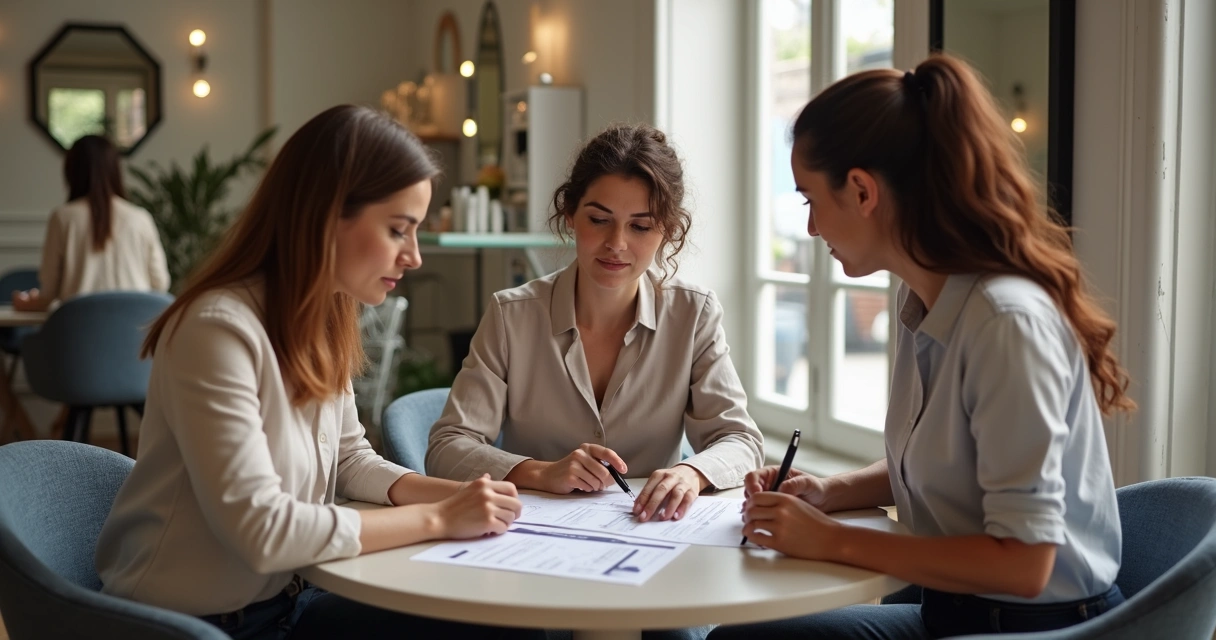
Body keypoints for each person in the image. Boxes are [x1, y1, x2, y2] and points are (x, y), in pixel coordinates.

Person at [709, 54, 1135, 639]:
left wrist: (832, 540)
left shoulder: (1006, 325)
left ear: (862, 190)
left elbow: (1025, 564)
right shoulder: (924, 303)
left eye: (811, 201)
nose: (810, 228)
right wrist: (829, 492)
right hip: (958, 612)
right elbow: (943, 464)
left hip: (1040, 629)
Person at [95, 105, 541, 640]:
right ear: (326, 216)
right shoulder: (216, 331)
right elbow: (262, 531)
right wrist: (441, 519)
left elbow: (350, 459)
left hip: (284, 605)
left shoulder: (323, 316)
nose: (414, 256)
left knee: (505, 624)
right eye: (398, 230)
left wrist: (457, 498)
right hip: (189, 626)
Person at [427, 123, 764, 525]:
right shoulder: (511, 315)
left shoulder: (694, 314)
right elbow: (447, 447)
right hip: (532, 535)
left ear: (668, 230)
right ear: (570, 214)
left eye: (640, 226)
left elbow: (740, 440)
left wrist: (691, 473)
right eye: (599, 219)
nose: (617, 243)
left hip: (651, 533)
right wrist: (540, 473)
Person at [11, 134, 169, 311]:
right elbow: (160, 283)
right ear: (115, 170)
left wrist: (26, 303)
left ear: (72, 171)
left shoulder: (63, 217)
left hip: (78, 326)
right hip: (135, 326)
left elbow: (48, 291)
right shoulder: (140, 218)